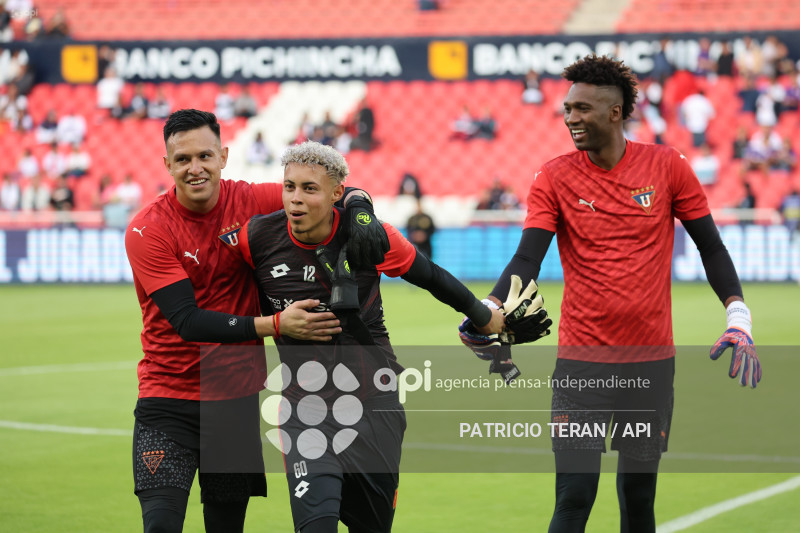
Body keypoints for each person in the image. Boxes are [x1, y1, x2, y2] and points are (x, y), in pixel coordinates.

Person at [462, 55, 761, 533]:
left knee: (638, 499)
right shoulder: (554, 176)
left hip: (651, 365)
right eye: (567, 109)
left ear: (615, 113)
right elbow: (526, 259)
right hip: (582, 365)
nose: (571, 118)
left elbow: (711, 247)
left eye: (582, 109)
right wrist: (488, 309)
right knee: (574, 498)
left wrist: (738, 315)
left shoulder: (667, 167)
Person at [124, 109, 391, 533]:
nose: (195, 168)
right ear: (167, 165)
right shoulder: (148, 229)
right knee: (160, 525)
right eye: (182, 159)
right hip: (167, 401)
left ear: (224, 156)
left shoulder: (250, 200)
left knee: (226, 526)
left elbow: (335, 188)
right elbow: (188, 322)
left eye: (205, 156)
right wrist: (275, 324)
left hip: (235, 400)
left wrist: (361, 210)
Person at [237, 141, 505, 533]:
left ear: (335, 195)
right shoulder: (256, 239)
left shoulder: (369, 236)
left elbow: (431, 277)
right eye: (289, 187)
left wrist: (484, 318)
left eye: (309, 189)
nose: (295, 199)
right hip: (304, 411)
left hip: (374, 405)